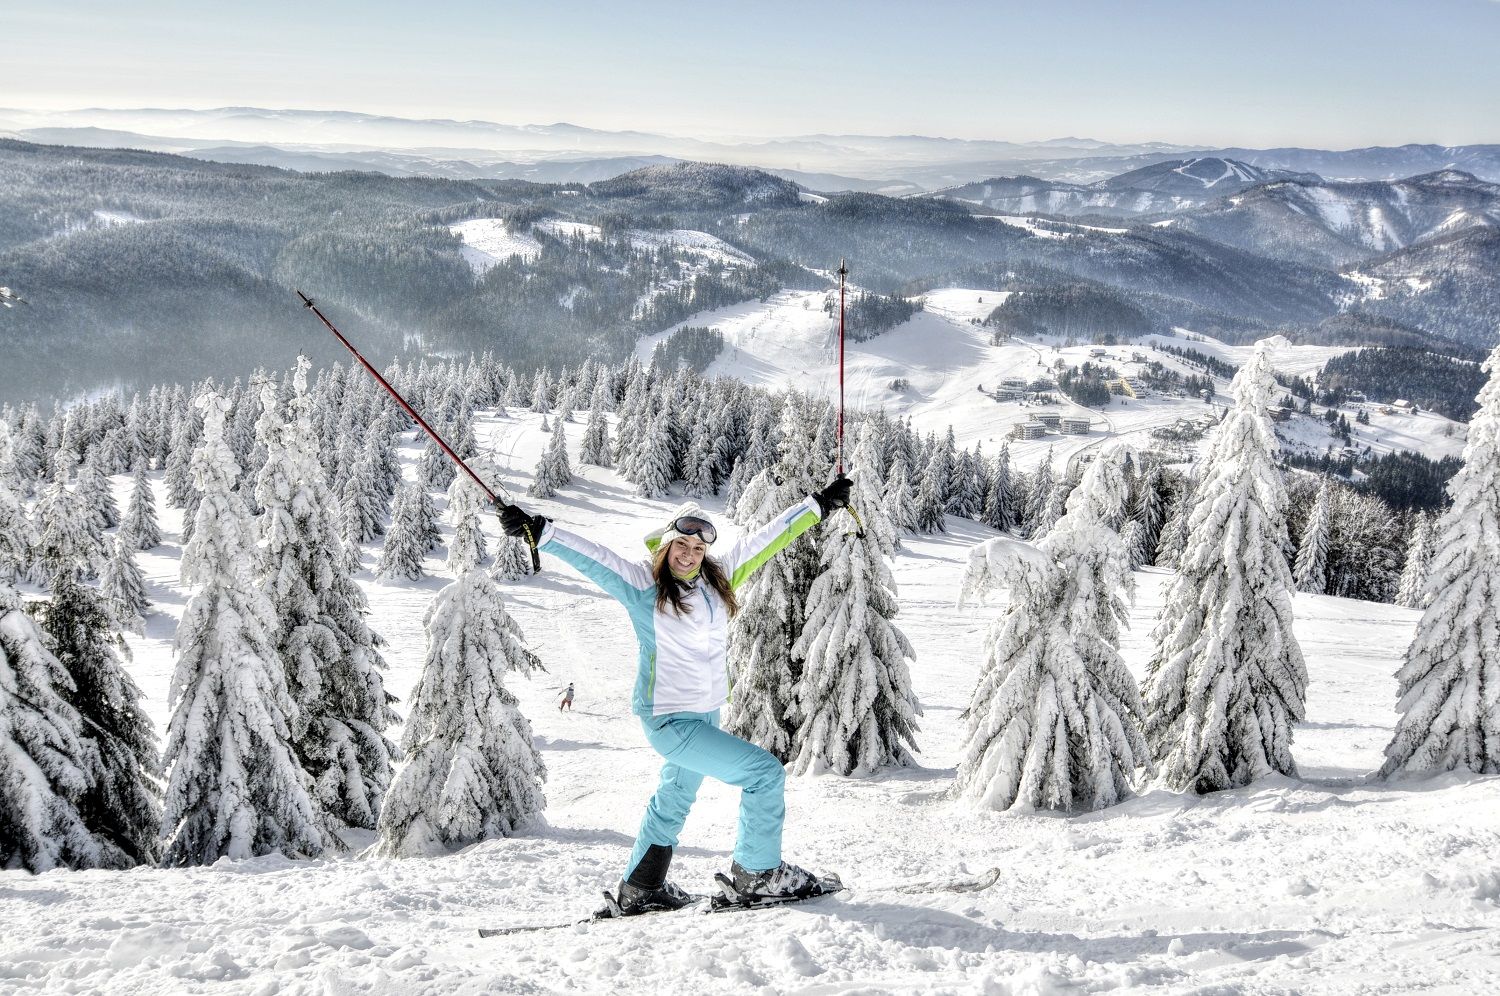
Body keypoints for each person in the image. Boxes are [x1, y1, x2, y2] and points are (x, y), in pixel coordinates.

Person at [499, 475, 853, 915]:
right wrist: (541, 530)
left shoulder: (716, 581)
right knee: (764, 775)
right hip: (669, 721)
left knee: (675, 797)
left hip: (704, 717)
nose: (689, 556)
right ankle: (758, 874)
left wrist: (818, 505)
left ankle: (642, 887)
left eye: (698, 550)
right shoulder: (643, 586)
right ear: (667, 545)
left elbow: (767, 539)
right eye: (681, 547)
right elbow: (595, 557)